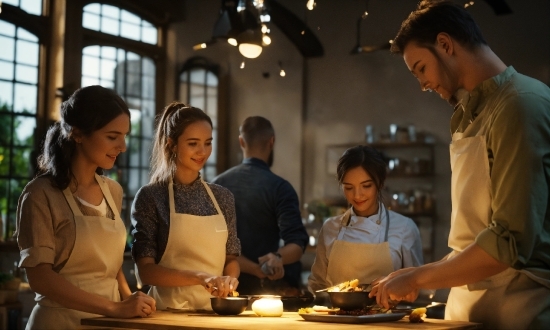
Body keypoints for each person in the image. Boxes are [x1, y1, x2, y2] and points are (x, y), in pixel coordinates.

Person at [369, 1, 550, 328]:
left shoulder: (521, 105)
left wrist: (419, 278)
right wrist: (414, 273)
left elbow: (509, 242)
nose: (422, 84)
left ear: (445, 44)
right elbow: (472, 235)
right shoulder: (468, 117)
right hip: (468, 306)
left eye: (421, 68)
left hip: (521, 306)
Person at [15, 85, 156, 329]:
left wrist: (129, 298)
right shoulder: (40, 194)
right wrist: (114, 308)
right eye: (112, 137)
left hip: (109, 322)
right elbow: (41, 279)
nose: (122, 147)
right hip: (59, 322)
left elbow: (110, 268)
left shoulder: (113, 191)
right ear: (77, 134)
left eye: (125, 136)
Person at [131, 102, 241, 311]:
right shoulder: (151, 196)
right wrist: (201, 277)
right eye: (193, 143)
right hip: (166, 314)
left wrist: (229, 279)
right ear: (172, 144)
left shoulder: (222, 197)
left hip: (215, 313)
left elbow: (231, 258)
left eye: (208, 143)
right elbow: (146, 271)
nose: (202, 152)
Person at [308, 145, 423, 298]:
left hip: (387, 319)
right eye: (349, 187)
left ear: (380, 183)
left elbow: (417, 286)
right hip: (338, 319)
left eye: (366, 186)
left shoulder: (404, 228)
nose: (357, 195)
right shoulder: (331, 228)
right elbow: (318, 285)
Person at [212, 116, 309, 296]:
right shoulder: (280, 188)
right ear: (272, 142)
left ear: (241, 141)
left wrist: (252, 268)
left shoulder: (217, 184)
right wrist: (276, 258)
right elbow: (296, 244)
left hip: (224, 288)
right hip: (269, 287)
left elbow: (213, 246)